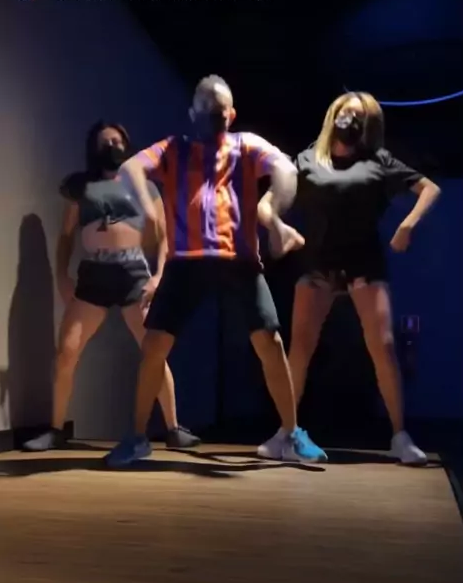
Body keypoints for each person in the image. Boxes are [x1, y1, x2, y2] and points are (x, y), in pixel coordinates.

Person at [104, 75, 327, 467]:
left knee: (270, 342)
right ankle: (137, 437)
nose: (212, 117)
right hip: (185, 262)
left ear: (231, 114)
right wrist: (148, 205)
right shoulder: (173, 148)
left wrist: (272, 210)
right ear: (193, 113)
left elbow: (285, 169)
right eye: (205, 110)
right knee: (154, 345)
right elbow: (130, 168)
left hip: (238, 259)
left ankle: (290, 434)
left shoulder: (246, 145)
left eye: (219, 111)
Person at [257, 91, 441, 465]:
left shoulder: (379, 160)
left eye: (358, 115)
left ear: (368, 123)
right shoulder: (308, 159)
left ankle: (400, 436)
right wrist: (277, 226)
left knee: (383, 346)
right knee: (300, 348)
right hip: (318, 263)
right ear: (333, 115)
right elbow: (268, 202)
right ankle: (285, 433)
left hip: (364, 263)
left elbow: (429, 189)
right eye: (345, 112)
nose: (349, 119)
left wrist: (408, 225)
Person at [24, 121, 200, 451]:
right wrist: (62, 276)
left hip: (134, 273)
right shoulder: (81, 187)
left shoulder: (144, 185)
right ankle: (55, 429)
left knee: (154, 351)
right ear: (94, 148)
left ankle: (173, 428)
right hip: (94, 275)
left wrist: (159, 276)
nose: (112, 146)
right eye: (105, 141)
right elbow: (66, 237)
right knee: (67, 351)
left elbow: (164, 237)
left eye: (117, 140)